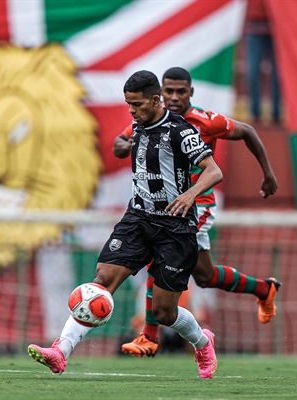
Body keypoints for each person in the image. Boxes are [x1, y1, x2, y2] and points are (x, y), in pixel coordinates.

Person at [28, 70, 223, 379]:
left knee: (164, 312)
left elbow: (213, 171)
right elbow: (123, 145)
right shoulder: (137, 125)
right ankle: (60, 352)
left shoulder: (180, 130)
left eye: (137, 104)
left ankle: (202, 342)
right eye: (128, 104)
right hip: (138, 220)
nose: (131, 110)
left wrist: (190, 195)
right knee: (101, 281)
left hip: (175, 228)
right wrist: (121, 147)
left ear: (156, 100)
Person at [115, 67, 280, 358]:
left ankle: (149, 335)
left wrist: (267, 174)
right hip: (164, 208)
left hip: (197, 204)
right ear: (160, 94)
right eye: (169, 91)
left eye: (181, 91)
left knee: (159, 251)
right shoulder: (151, 120)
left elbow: (249, 132)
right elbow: (120, 142)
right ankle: (264, 289)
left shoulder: (206, 121)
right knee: (204, 276)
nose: (175, 97)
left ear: (191, 92)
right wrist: (125, 145)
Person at [244, 0, 281, 123]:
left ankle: (277, 114)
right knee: (252, 73)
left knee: (277, 75)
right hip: (254, 26)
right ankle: (255, 114)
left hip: (276, 26)